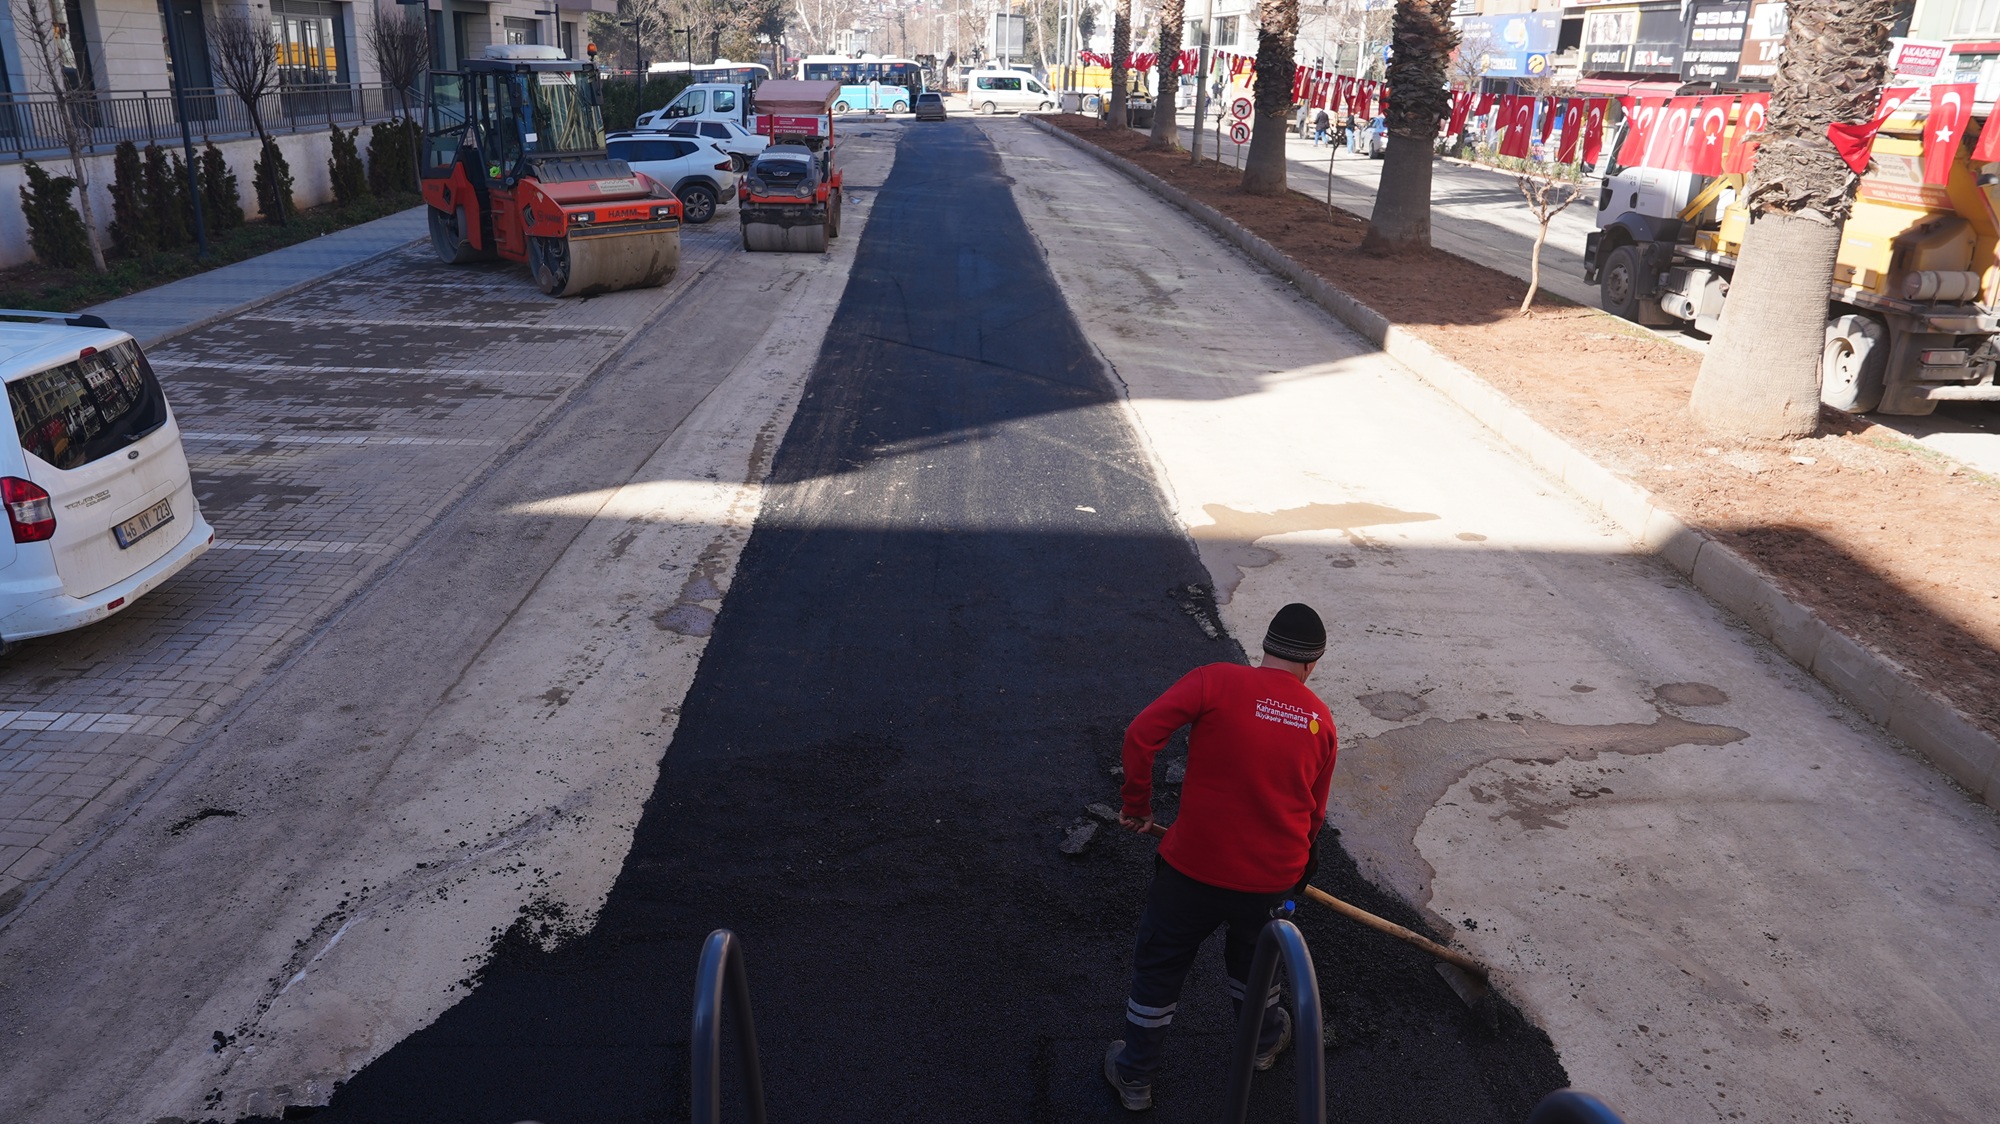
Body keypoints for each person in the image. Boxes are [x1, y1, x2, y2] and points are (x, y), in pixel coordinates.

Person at [1103, 604, 1340, 1112]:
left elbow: (1141, 736)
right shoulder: (1322, 720)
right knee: (1257, 963)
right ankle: (1260, 1046)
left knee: (1161, 965)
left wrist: (1137, 804)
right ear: (1313, 664)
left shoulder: (1214, 681)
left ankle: (1136, 1076)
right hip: (1270, 879)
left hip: (1194, 867)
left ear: (1265, 647)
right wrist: (1295, 869)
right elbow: (1314, 816)